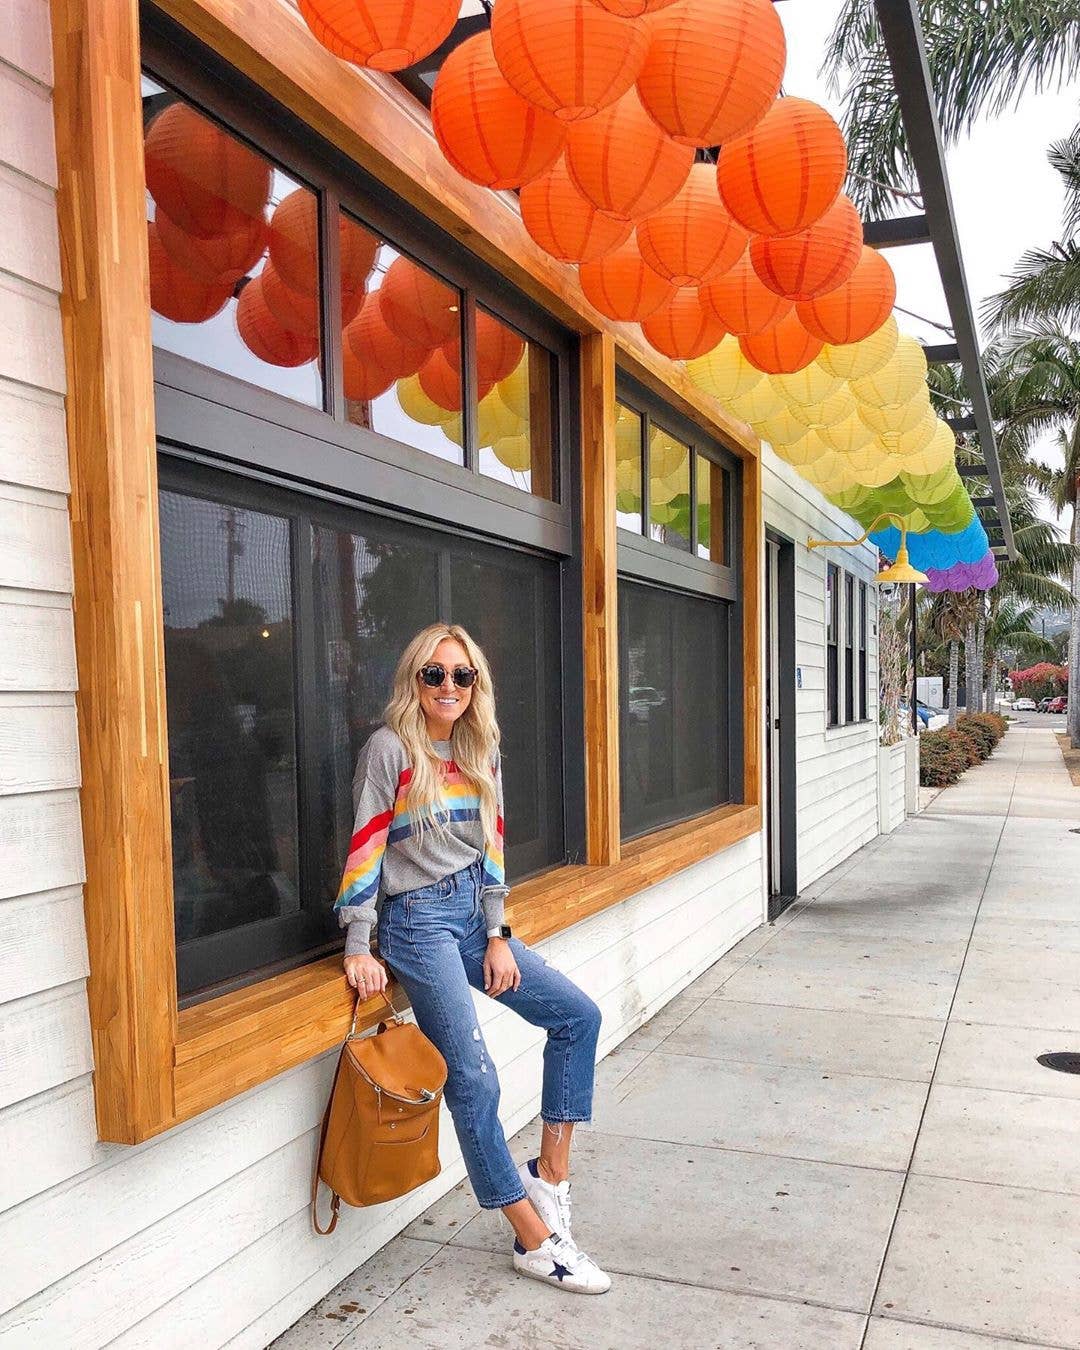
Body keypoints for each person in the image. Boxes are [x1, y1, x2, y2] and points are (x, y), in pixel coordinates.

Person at [335, 623, 609, 1295]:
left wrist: (497, 933)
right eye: (435, 674)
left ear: (476, 684)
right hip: (416, 924)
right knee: (475, 1082)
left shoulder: (479, 748)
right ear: (414, 681)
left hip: (470, 919)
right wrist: (357, 940)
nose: (449, 686)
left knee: (577, 1017)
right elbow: (367, 846)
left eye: (463, 675)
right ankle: (532, 1237)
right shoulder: (389, 749)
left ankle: (549, 1179)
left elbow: (491, 851)